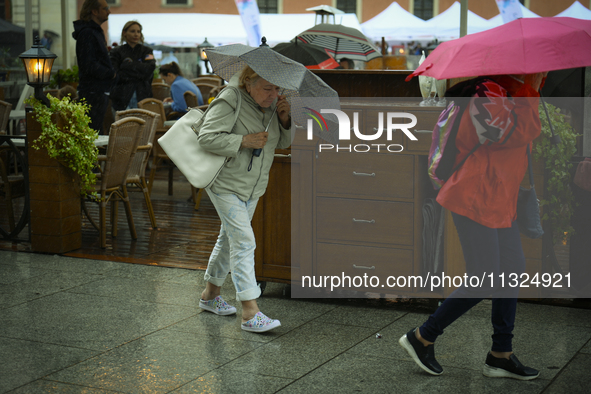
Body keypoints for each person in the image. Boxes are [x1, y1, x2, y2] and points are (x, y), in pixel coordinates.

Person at [399, 72, 548, 380]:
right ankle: (422, 336)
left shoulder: (511, 93)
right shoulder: (487, 94)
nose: (544, 73)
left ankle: (500, 354)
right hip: (474, 195)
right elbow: (509, 135)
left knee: (512, 269)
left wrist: (526, 95)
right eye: (539, 70)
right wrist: (529, 95)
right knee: (485, 277)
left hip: (499, 200)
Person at [196, 66, 291, 333]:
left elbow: (281, 143)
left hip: (252, 187)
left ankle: (209, 295)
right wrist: (243, 141)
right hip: (225, 183)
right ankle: (250, 312)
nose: (274, 94)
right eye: (267, 88)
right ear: (248, 84)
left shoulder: (272, 107)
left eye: (277, 89)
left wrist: (284, 119)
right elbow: (207, 138)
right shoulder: (230, 99)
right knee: (244, 241)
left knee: (228, 239)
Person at [72, 0, 116, 135]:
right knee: (92, 133)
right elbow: (88, 64)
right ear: (94, 11)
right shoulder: (88, 33)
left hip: (97, 91)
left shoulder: (94, 32)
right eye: (105, 8)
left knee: (96, 131)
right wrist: (110, 73)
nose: (109, 11)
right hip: (92, 92)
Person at [109, 21, 156, 111]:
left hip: (143, 96)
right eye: (132, 31)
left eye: (138, 32)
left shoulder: (146, 51)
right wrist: (139, 72)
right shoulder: (116, 52)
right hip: (121, 98)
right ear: (124, 33)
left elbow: (149, 70)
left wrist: (126, 66)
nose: (136, 34)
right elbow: (116, 74)